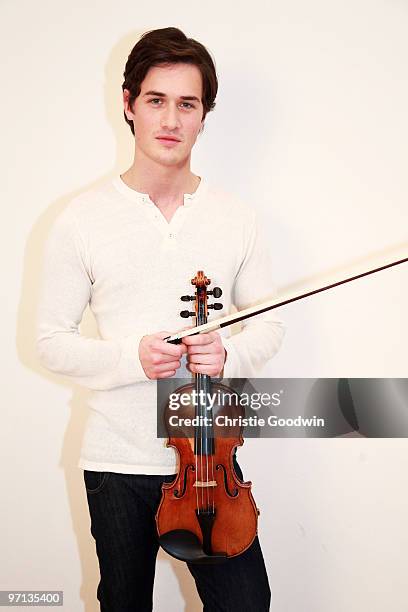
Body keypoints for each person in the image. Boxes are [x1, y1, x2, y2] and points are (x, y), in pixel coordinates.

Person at [36, 26, 285, 612]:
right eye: (155, 100)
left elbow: (269, 326)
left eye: (187, 103)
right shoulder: (82, 220)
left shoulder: (237, 218)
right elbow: (50, 343)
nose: (171, 118)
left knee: (247, 604)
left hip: (210, 455)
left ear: (204, 116)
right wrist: (131, 358)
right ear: (128, 104)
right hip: (116, 465)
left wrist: (231, 352)